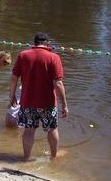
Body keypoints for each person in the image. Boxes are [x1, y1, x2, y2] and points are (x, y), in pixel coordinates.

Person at [10, 32, 68, 161]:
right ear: (47, 43)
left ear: (34, 43)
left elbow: (14, 78)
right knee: (52, 129)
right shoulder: (54, 57)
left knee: (28, 131)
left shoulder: (23, 55)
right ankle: (54, 156)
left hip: (27, 102)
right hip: (47, 103)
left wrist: (12, 96)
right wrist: (64, 104)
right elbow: (58, 83)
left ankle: (26, 157)